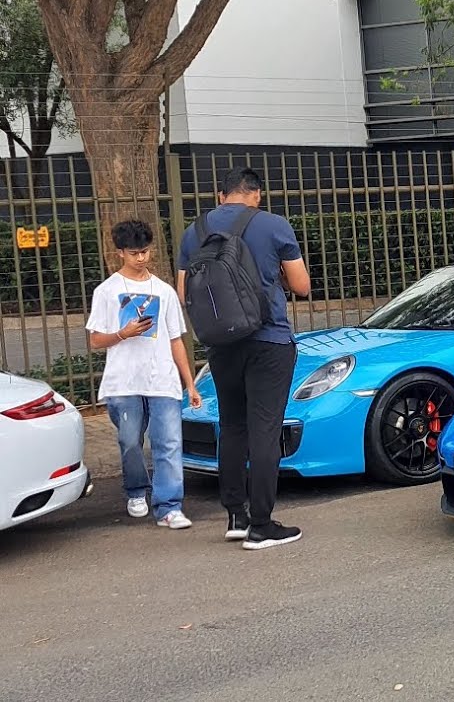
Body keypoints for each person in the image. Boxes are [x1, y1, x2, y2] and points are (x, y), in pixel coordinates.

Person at [177, 167, 312, 550]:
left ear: (221, 195)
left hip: (221, 343)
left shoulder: (195, 231)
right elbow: (301, 286)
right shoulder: (272, 225)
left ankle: (236, 516)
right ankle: (263, 525)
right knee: (265, 429)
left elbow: (184, 289)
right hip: (268, 338)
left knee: (233, 426)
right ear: (256, 194)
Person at [86, 220, 202, 530]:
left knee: (169, 442)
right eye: (134, 253)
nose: (141, 258)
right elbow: (95, 340)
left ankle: (169, 505)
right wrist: (122, 333)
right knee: (130, 441)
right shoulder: (107, 291)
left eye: (145, 252)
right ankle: (136, 490)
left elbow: (176, 339)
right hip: (123, 380)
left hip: (162, 378)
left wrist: (189, 383)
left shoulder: (163, 292)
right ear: (120, 252)